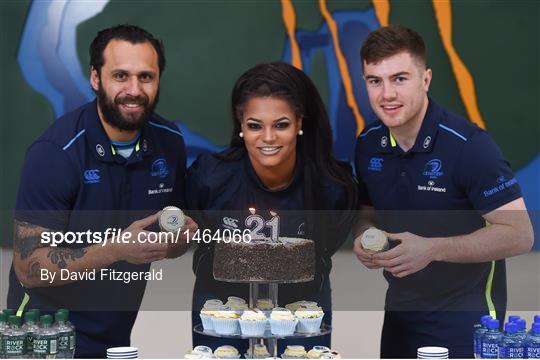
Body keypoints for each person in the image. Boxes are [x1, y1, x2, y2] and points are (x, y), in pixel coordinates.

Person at [8, 24, 197, 357]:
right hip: (44, 335)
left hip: (115, 334)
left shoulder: (170, 142)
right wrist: (115, 250)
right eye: (120, 76)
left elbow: (167, 233)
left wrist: (178, 240)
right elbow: (29, 265)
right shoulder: (55, 153)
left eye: (146, 77)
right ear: (96, 78)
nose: (134, 90)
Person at [353, 25, 533, 358]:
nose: (386, 94)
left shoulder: (470, 147)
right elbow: (367, 214)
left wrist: (432, 249)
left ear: (426, 80)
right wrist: (365, 238)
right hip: (399, 315)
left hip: (467, 318)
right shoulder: (367, 145)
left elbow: (520, 235)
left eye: (400, 79)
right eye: (375, 81)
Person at [186, 62, 357, 354]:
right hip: (220, 310)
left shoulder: (331, 188)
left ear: (299, 123)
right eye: (255, 125)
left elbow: (328, 244)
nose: (268, 138)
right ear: (240, 124)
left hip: (303, 310)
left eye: (281, 124)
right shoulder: (210, 178)